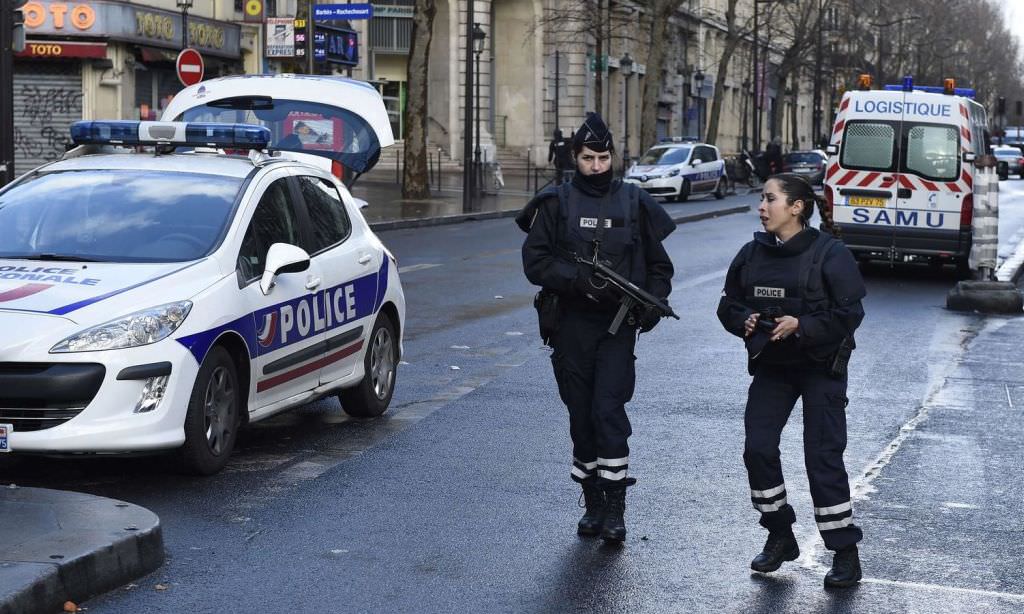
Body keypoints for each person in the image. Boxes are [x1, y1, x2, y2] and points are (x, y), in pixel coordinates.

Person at [517, 113, 676, 543]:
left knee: (609, 412)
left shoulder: (634, 202)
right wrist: (575, 279)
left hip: (616, 328)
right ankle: (592, 504)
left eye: (604, 157)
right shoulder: (555, 203)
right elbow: (536, 263)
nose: (597, 166)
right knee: (581, 416)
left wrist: (653, 304)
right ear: (575, 158)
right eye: (588, 158)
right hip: (570, 325)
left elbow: (661, 269)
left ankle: (616, 508)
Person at [716, 173, 866, 588]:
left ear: (796, 207)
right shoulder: (752, 253)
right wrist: (741, 320)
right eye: (763, 200)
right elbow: (728, 304)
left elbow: (849, 315)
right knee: (757, 449)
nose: (762, 207)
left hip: (821, 367)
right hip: (773, 367)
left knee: (822, 458)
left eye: (770, 199)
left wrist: (802, 324)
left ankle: (844, 552)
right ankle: (780, 534)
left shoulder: (830, 254)